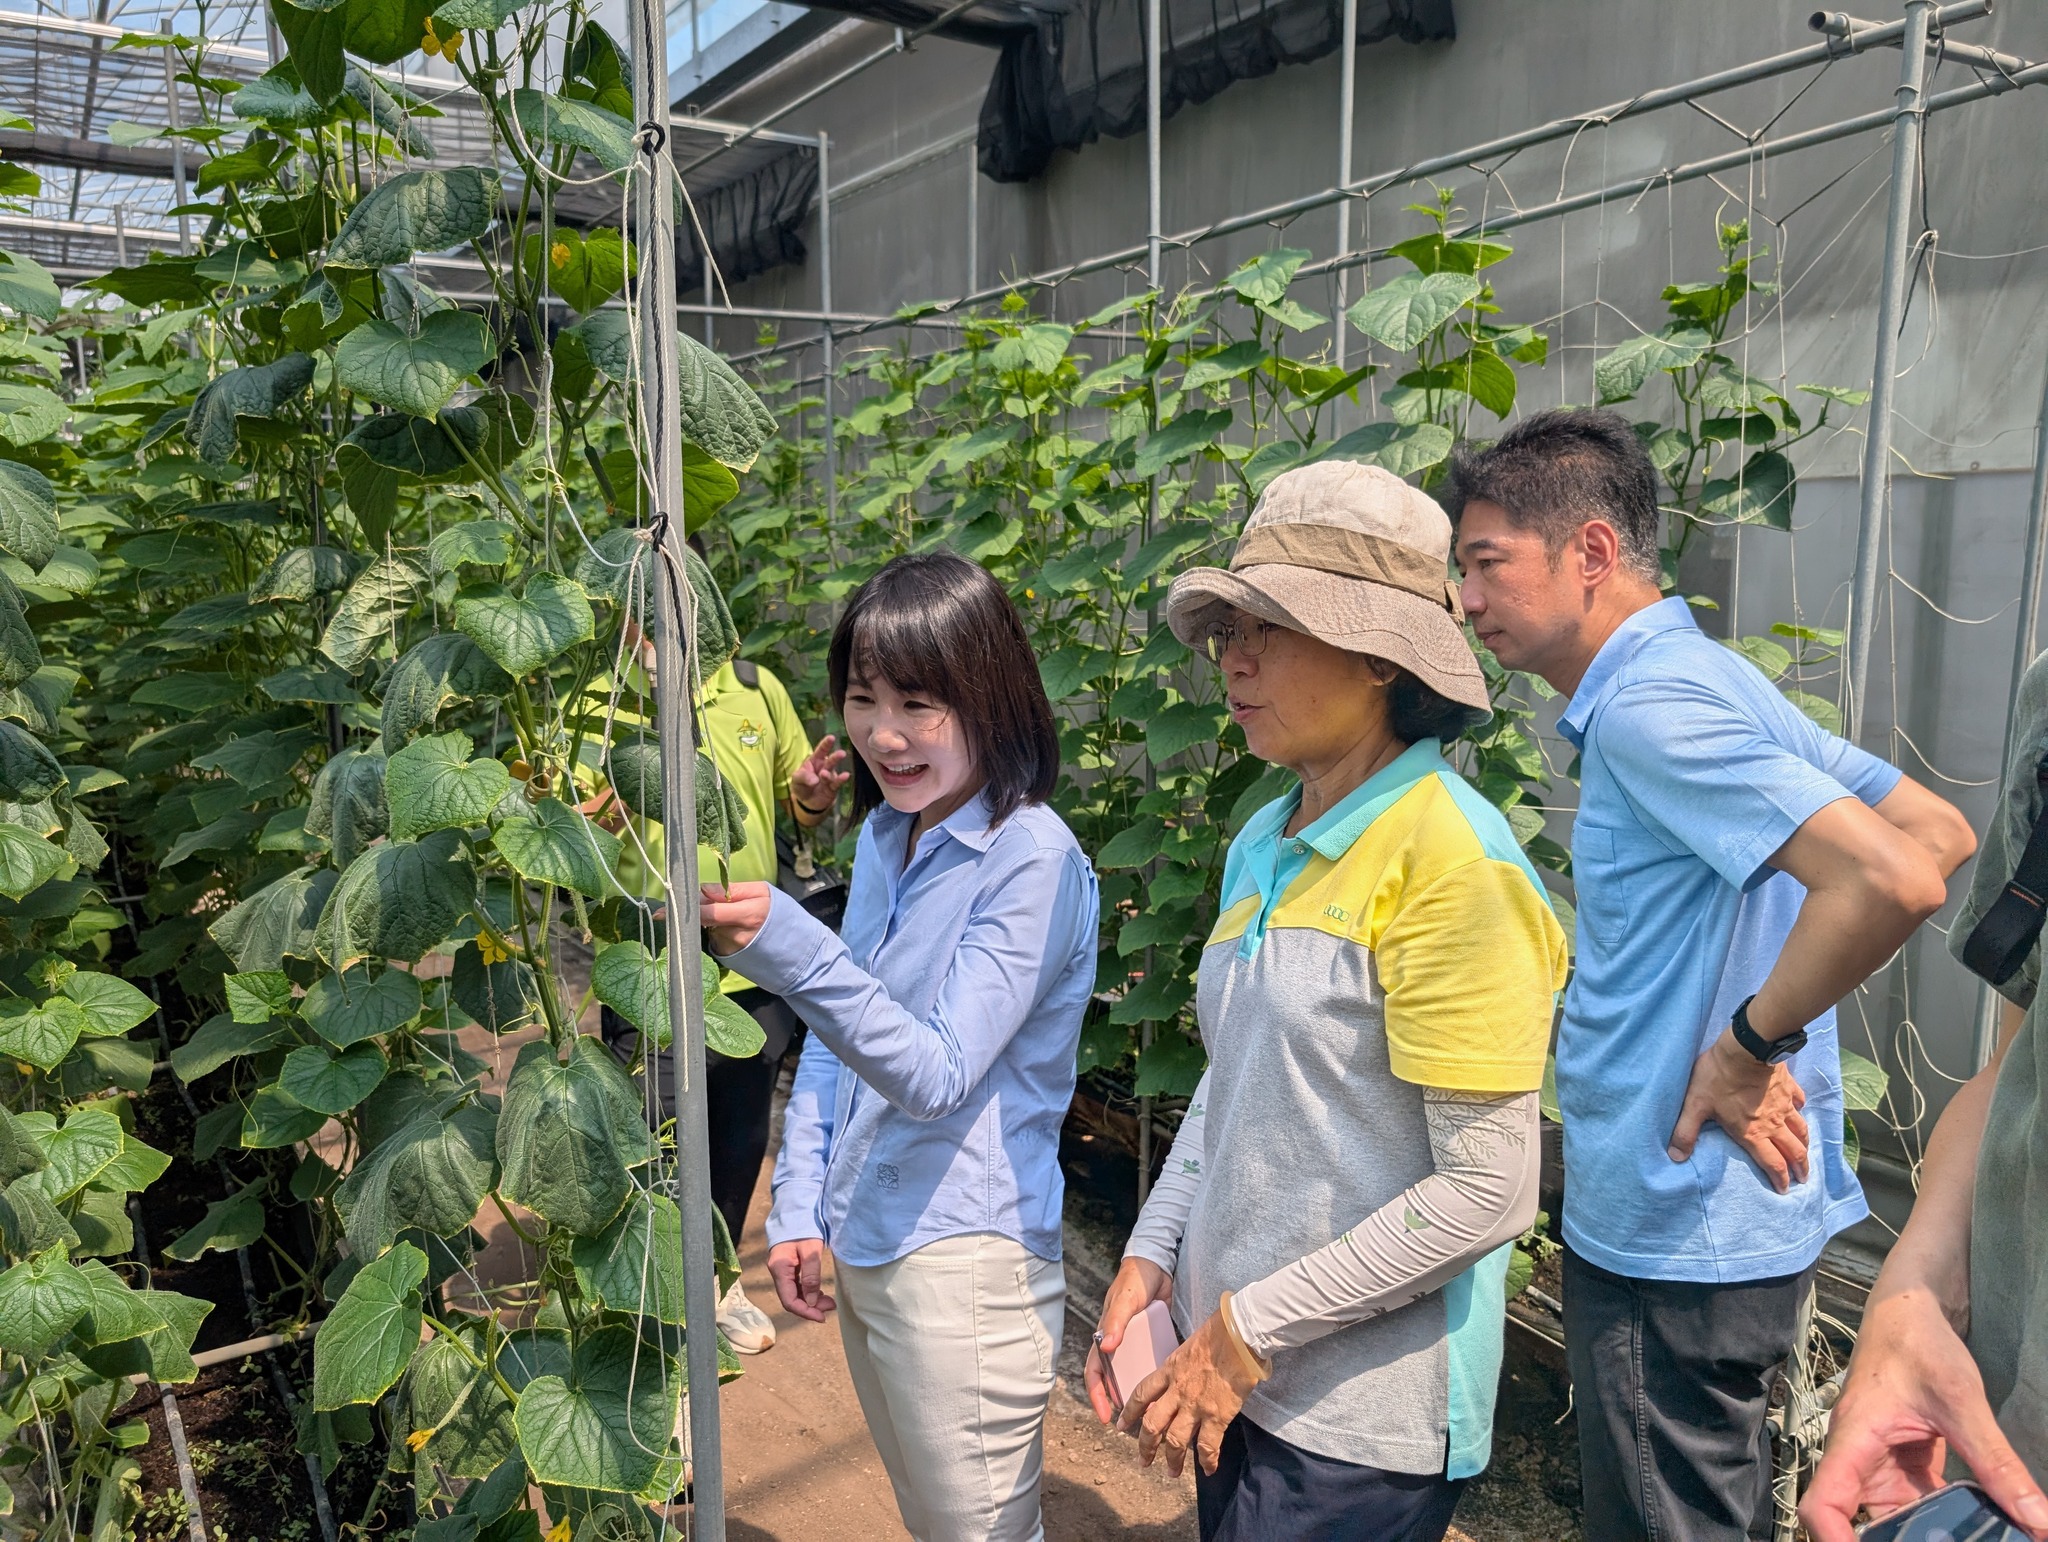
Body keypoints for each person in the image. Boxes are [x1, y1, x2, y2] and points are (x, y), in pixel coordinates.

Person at [1446, 408, 1976, 1541]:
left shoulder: (1647, 707)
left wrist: (1748, 1043)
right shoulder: (1705, 678)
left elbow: (1896, 878)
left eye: (1484, 564)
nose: (1466, 601)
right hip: (1727, 1225)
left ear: (1587, 553)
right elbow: (1937, 829)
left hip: (1672, 1227)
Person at [1087, 462, 1571, 1542]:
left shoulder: (1453, 861)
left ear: (1376, 656)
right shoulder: (1265, 835)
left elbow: (1486, 1194)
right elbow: (1234, 1078)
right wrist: (1149, 1255)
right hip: (1235, 1373)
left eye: (1272, 627)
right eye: (1226, 631)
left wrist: (1244, 1330)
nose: (1233, 659)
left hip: (1359, 1419)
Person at [699, 550, 1098, 1542]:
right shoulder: (889, 837)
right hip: (873, 1230)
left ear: (991, 698)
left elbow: (936, 1073)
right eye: (861, 696)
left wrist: (790, 942)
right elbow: (838, 1039)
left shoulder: (1029, 859)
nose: (882, 733)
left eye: (919, 703)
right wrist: (799, 1206)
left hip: (963, 1263)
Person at [1800, 649, 2048, 1542]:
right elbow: (2017, 1073)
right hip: (2012, 1457)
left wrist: (1753, 1041)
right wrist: (1914, 1291)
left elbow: (1917, 854)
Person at [586, 597, 851, 1356]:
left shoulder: (753, 688)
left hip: (751, 956)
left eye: (672, 605)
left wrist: (808, 797)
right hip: (650, 957)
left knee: (738, 1133)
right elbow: (572, 814)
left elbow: (796, 802)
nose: (657, 625)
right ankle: (653, 1293)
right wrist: (594, 812)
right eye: (640, 611)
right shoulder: (605, 704)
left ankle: (716, 1281)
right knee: (655, 1131)